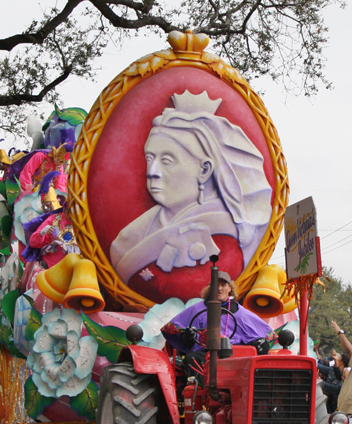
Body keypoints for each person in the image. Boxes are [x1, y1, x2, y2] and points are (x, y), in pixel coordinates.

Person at [109, 90, 273, 283]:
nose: (152, 171)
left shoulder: (225, 232)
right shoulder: (128, 237)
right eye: (149, 158)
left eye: (167, 160)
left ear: (204, 170)